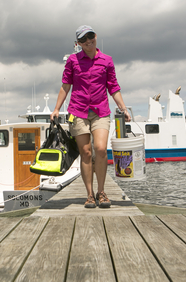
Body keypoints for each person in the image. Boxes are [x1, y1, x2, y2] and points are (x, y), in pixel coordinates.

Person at [50, 25, 131, 208]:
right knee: (85, 153)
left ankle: (101, 192)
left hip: (100, 111)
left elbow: (114, 87)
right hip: (77, 111)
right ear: (78, 43)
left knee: (101, 149)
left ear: (96, 36)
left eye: (90, 36)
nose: (88, 41)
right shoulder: (72, 60)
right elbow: (65, 86)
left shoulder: (107, 60)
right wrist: (56, 109)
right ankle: (89, 195)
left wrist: (123, 107)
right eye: (83, 40)